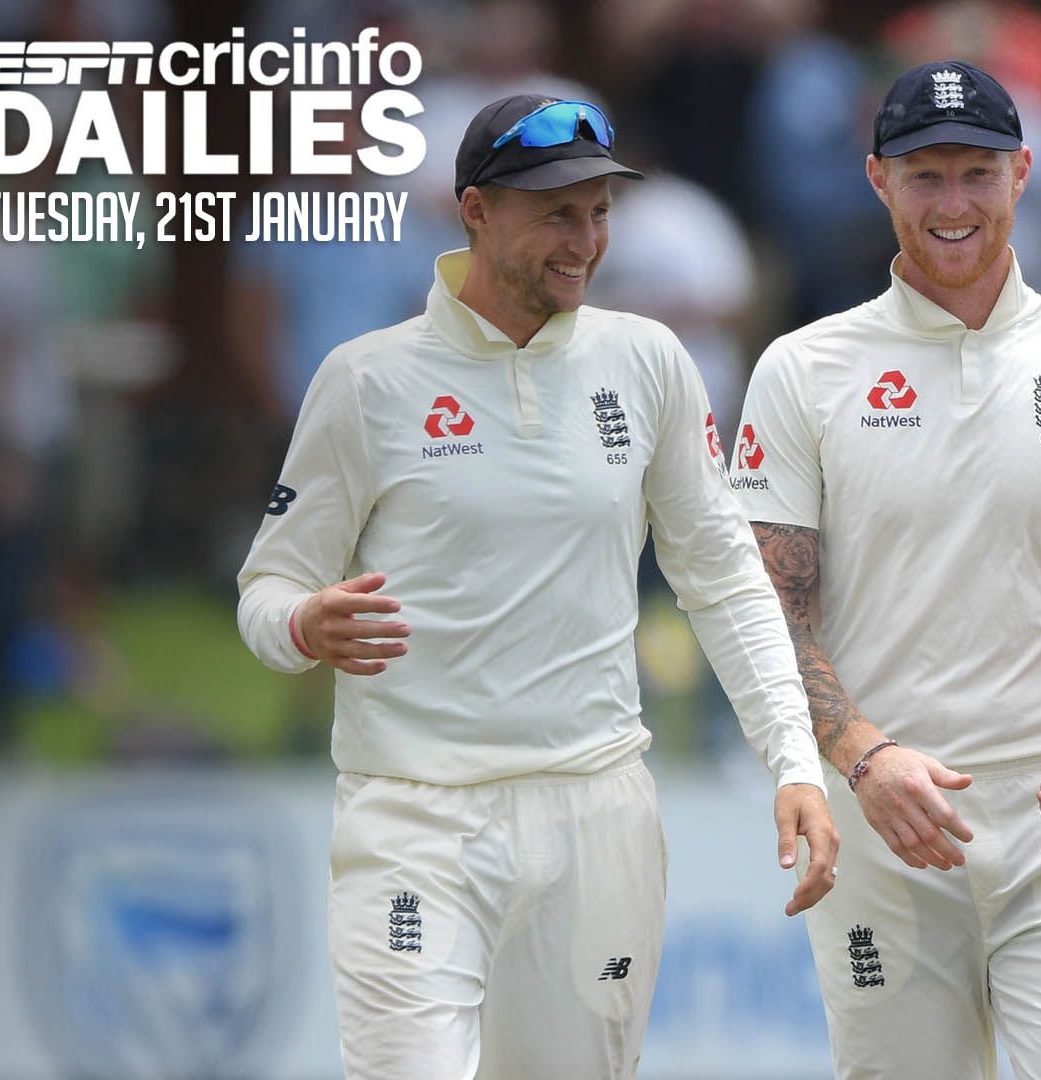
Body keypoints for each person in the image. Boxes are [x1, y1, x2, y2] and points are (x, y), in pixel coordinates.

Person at [235, 94, 837, 1078]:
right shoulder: (367, 380)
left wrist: (793, 760)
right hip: (415, 816)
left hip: (596, 812)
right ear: (476, 211)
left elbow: (723, 576)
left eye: (600, 211)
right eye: (558, 212)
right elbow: (267, 588)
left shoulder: (646, 362)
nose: (586, 240)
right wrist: (303, 623)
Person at [732, 60, 1041, 1078]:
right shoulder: (805, 370)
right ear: (877, 181)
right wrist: (861, 754)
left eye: (976, 175)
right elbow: (766, 612)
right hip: (889, 841)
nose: (953, 205)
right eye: (925, 177)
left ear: (1024, 173)